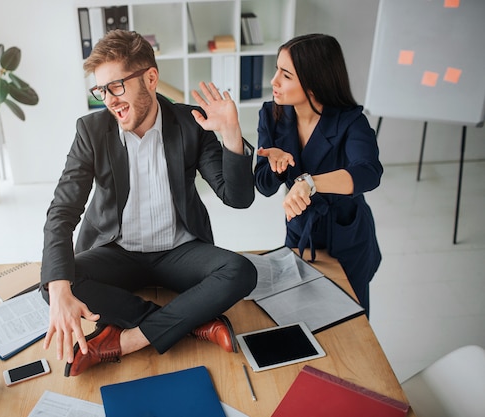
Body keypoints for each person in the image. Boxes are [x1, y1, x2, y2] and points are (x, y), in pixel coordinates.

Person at [40, 29, 257, 377]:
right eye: (101, 90)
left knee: (241, 271)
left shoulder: (191, 123)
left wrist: (231, 132)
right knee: (57, 283)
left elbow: (238, 197)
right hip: (117, 251)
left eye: (116, 86)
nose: (109, 99)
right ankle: (193, 325)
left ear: (150, 78)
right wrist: (59, 291)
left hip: (179, 251)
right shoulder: (92, 131)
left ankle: (125, 340)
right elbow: (61, 214)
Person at [254, 33, 383, 316]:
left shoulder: (351, 122)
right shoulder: (271, 115)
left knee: (351, 319)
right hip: (300, 231)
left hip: (346, 237)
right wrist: (277, 168)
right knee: (299, 310)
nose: (274, 81)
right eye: (277, 70)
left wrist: (309, 183)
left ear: (314, 81)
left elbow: (369, 172)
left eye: (285, 75)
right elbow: (262, 185)